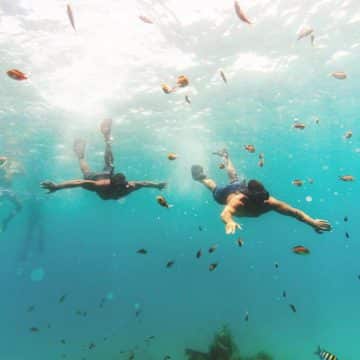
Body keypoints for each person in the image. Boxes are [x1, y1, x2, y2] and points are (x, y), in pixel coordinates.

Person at [191, 149, 331, 235]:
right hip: (227, 194)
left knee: (234, 178)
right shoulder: (238, 201)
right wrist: (229, 222)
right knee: (214, 187)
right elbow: (225, 213)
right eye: (261, 199)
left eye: (265, 197)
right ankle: (201, 178)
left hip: (239, 187)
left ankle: (225, 157)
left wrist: (313, 222)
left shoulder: (269, 202)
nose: (264, 201)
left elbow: (295, 213)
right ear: (248, 198)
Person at [41, 119, 166, 199]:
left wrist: (157, 186)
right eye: (123, 185)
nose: (126, 186)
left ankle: (106, 141)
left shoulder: (129, 186)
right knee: (88, 172)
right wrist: (57, 186)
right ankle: (82, 155)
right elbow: (78, 182)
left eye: (125, 184)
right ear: (112, 184)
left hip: (107, 175)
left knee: (110, 165)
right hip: (99, 177)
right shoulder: (100, 185)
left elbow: (143, 183)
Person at [0, 156, 22, 232]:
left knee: (19, 206)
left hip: (9, 191)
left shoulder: (10, 171)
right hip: (1, 190)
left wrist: (20, 167)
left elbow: (22, 173)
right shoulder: (2, 169)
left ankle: (6, 220)